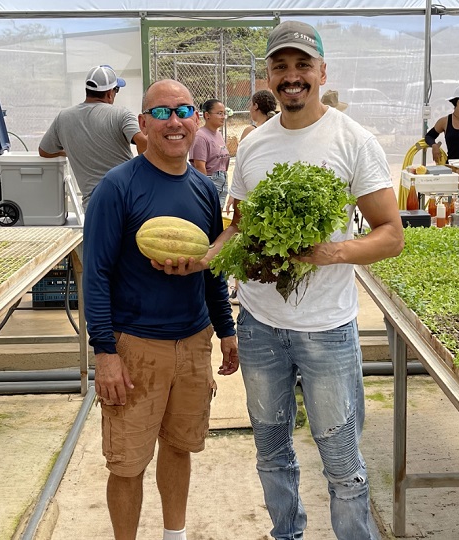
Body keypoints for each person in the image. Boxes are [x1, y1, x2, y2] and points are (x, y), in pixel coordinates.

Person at [156, 20, 404, 540]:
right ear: (268, 75)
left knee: (342, 462)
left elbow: (390, 236)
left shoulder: (353, 140)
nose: (291, 77)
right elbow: (241, 230)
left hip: (327, 331)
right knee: (271, 451)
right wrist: (204, 258)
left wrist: (327, 251)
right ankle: (285, 534)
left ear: (321, 71)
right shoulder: (253, 145)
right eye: (281, 67)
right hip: (261, 326)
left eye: (302, 66)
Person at [83, 79, 239, 540]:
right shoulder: (117, 187)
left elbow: (212, 268)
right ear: (144, 124)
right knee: (128, 462)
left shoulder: (205, 190)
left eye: (184, 111)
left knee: (179, 447)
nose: (175, 121)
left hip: (193, 343)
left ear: (196, 119)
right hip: (135, 347)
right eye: (163, 113)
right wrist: (105, 351)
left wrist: (225, 329)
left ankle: (176, 535)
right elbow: (94, 275)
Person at [39, 64, 147, 210]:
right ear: (110, 93)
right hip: (127, 198)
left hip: (93, 205)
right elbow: (144, 142)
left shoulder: (63, 117)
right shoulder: (121, 114)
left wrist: (68, 152)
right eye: (116, 90)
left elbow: (44, 151)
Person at [226, 89, 278, 305]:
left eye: (250, 104)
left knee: (244, 239)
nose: (248, 107)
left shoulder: (251, 130)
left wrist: (234, 193)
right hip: (271, 191)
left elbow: (242, 164)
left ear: (256, 107)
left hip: (251, 193)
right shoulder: (277, 127)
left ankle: (238, 286)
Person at [189, 99, 231, 209]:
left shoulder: (218, 134)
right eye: (219, 113)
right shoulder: (200, 137)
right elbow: (199, 167)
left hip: (222, 181)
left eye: (224, 113)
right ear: (207, 115)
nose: (223, 117)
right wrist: (206, 189)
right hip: (210, 181)